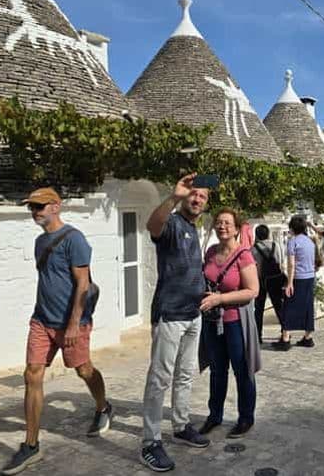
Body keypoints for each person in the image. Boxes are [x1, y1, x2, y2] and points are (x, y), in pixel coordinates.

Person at [2, 188, 111, 476]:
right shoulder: (40, 242)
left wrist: (74, 324)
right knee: (32, 374)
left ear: (55, 206)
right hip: (42, 320)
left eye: (39, 206)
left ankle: (102, 406)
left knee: (84, 370)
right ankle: (31, 445)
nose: (34, 212)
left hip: (72, 321)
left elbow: (82, 284)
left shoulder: (75, 239)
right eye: (31, 207)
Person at [140, 174, 211, 472]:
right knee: (160, 378)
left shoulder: (194, 228)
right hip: (170, 314)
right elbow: (152, 225)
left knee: (185, 375)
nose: (197, 199)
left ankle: (180, 425)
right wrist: (173, 197)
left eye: (202, 196)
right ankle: (150, 441)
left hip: (193, 314)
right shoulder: (171, 224)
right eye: (193, 194)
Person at [198, 209, 260, 439]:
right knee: (217, 371)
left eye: (227, 223)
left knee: (242, 371)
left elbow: (252, 291)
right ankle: (214, 415)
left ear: (236, 228)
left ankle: (246, 418)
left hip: (235, 322)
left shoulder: (243, 255)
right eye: (218, 222)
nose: (222, 226)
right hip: (212, 321)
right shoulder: (211, 252)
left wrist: (221, 299)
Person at [273, 216, 316, 351]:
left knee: (289, 306)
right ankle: (307, 336)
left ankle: (285, 337)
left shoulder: (293, 242)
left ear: (292, 228)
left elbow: (291, 264)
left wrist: (290, 282)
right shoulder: (310, 241)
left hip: (298, 277)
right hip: (310, 276)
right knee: (308, 306)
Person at [251, 225, 285, 343]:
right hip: (275, 278)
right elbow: (281, 261)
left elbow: (254, 267)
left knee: (259, 309)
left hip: (261, 280)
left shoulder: (253, 249)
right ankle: (285, 332)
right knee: (279, 307)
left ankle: (258, 335)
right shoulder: (277, 245)